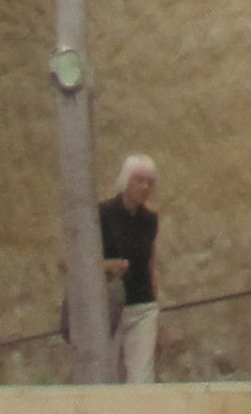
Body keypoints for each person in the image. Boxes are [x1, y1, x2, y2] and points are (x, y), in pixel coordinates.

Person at [98, 156, 160, 384]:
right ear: (126, 181)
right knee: (107, 375)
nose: (144, 187)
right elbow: (72, 262)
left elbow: (150, 263)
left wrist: (155, 300)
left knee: (142, 377)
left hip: (142, 305)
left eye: (149, 182)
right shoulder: (102, 214)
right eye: (139, 180)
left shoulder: (150, 220)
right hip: (109, 306)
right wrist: (109, 266)